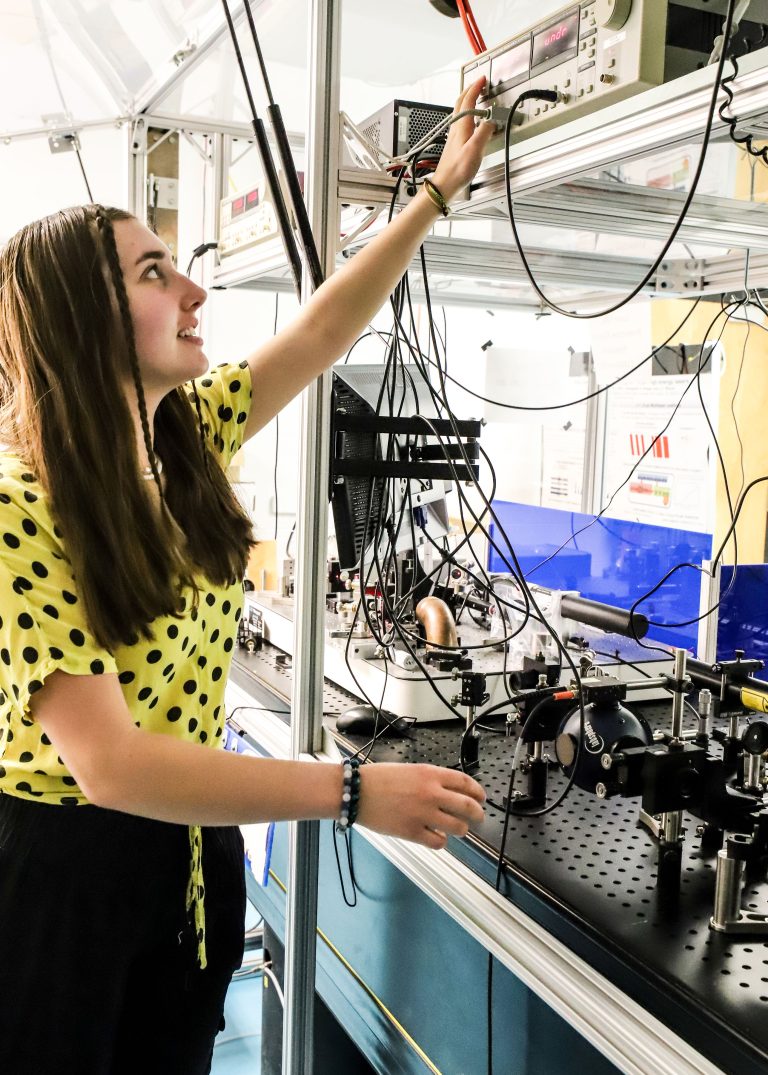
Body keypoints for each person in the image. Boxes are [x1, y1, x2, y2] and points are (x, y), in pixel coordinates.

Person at [0, 78, 494, 1074]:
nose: (194, 293)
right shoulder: (20, 507)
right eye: (154, 273)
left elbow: (322, 332)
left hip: (190, 852)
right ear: (82, 321)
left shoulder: (186, 436)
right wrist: (350, 791)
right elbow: (113, 764)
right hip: (65, 876)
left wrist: (438, 194)